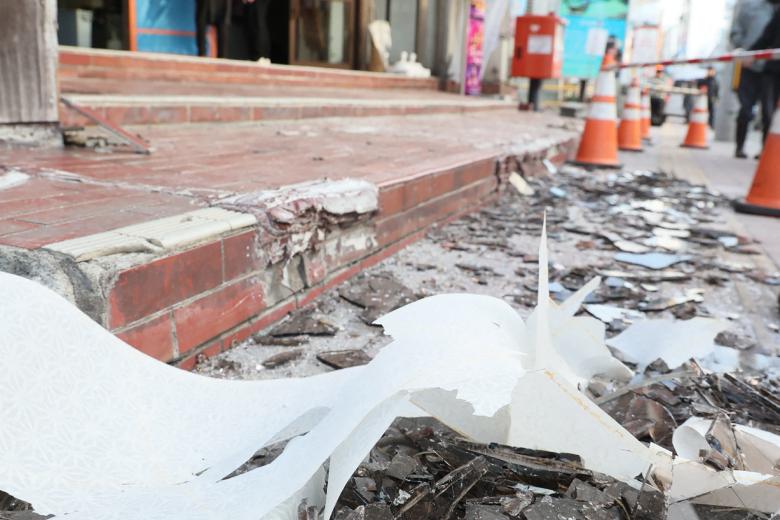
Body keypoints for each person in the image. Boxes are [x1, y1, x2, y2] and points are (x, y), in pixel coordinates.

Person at [732, 0, 777, 157]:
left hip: (772, 69)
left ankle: (766, 151)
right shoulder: (749, 6)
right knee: (746, 109)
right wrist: (747, 52)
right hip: (750, 66)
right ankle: (739, 147)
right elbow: (737, 33)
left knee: (769, 113)